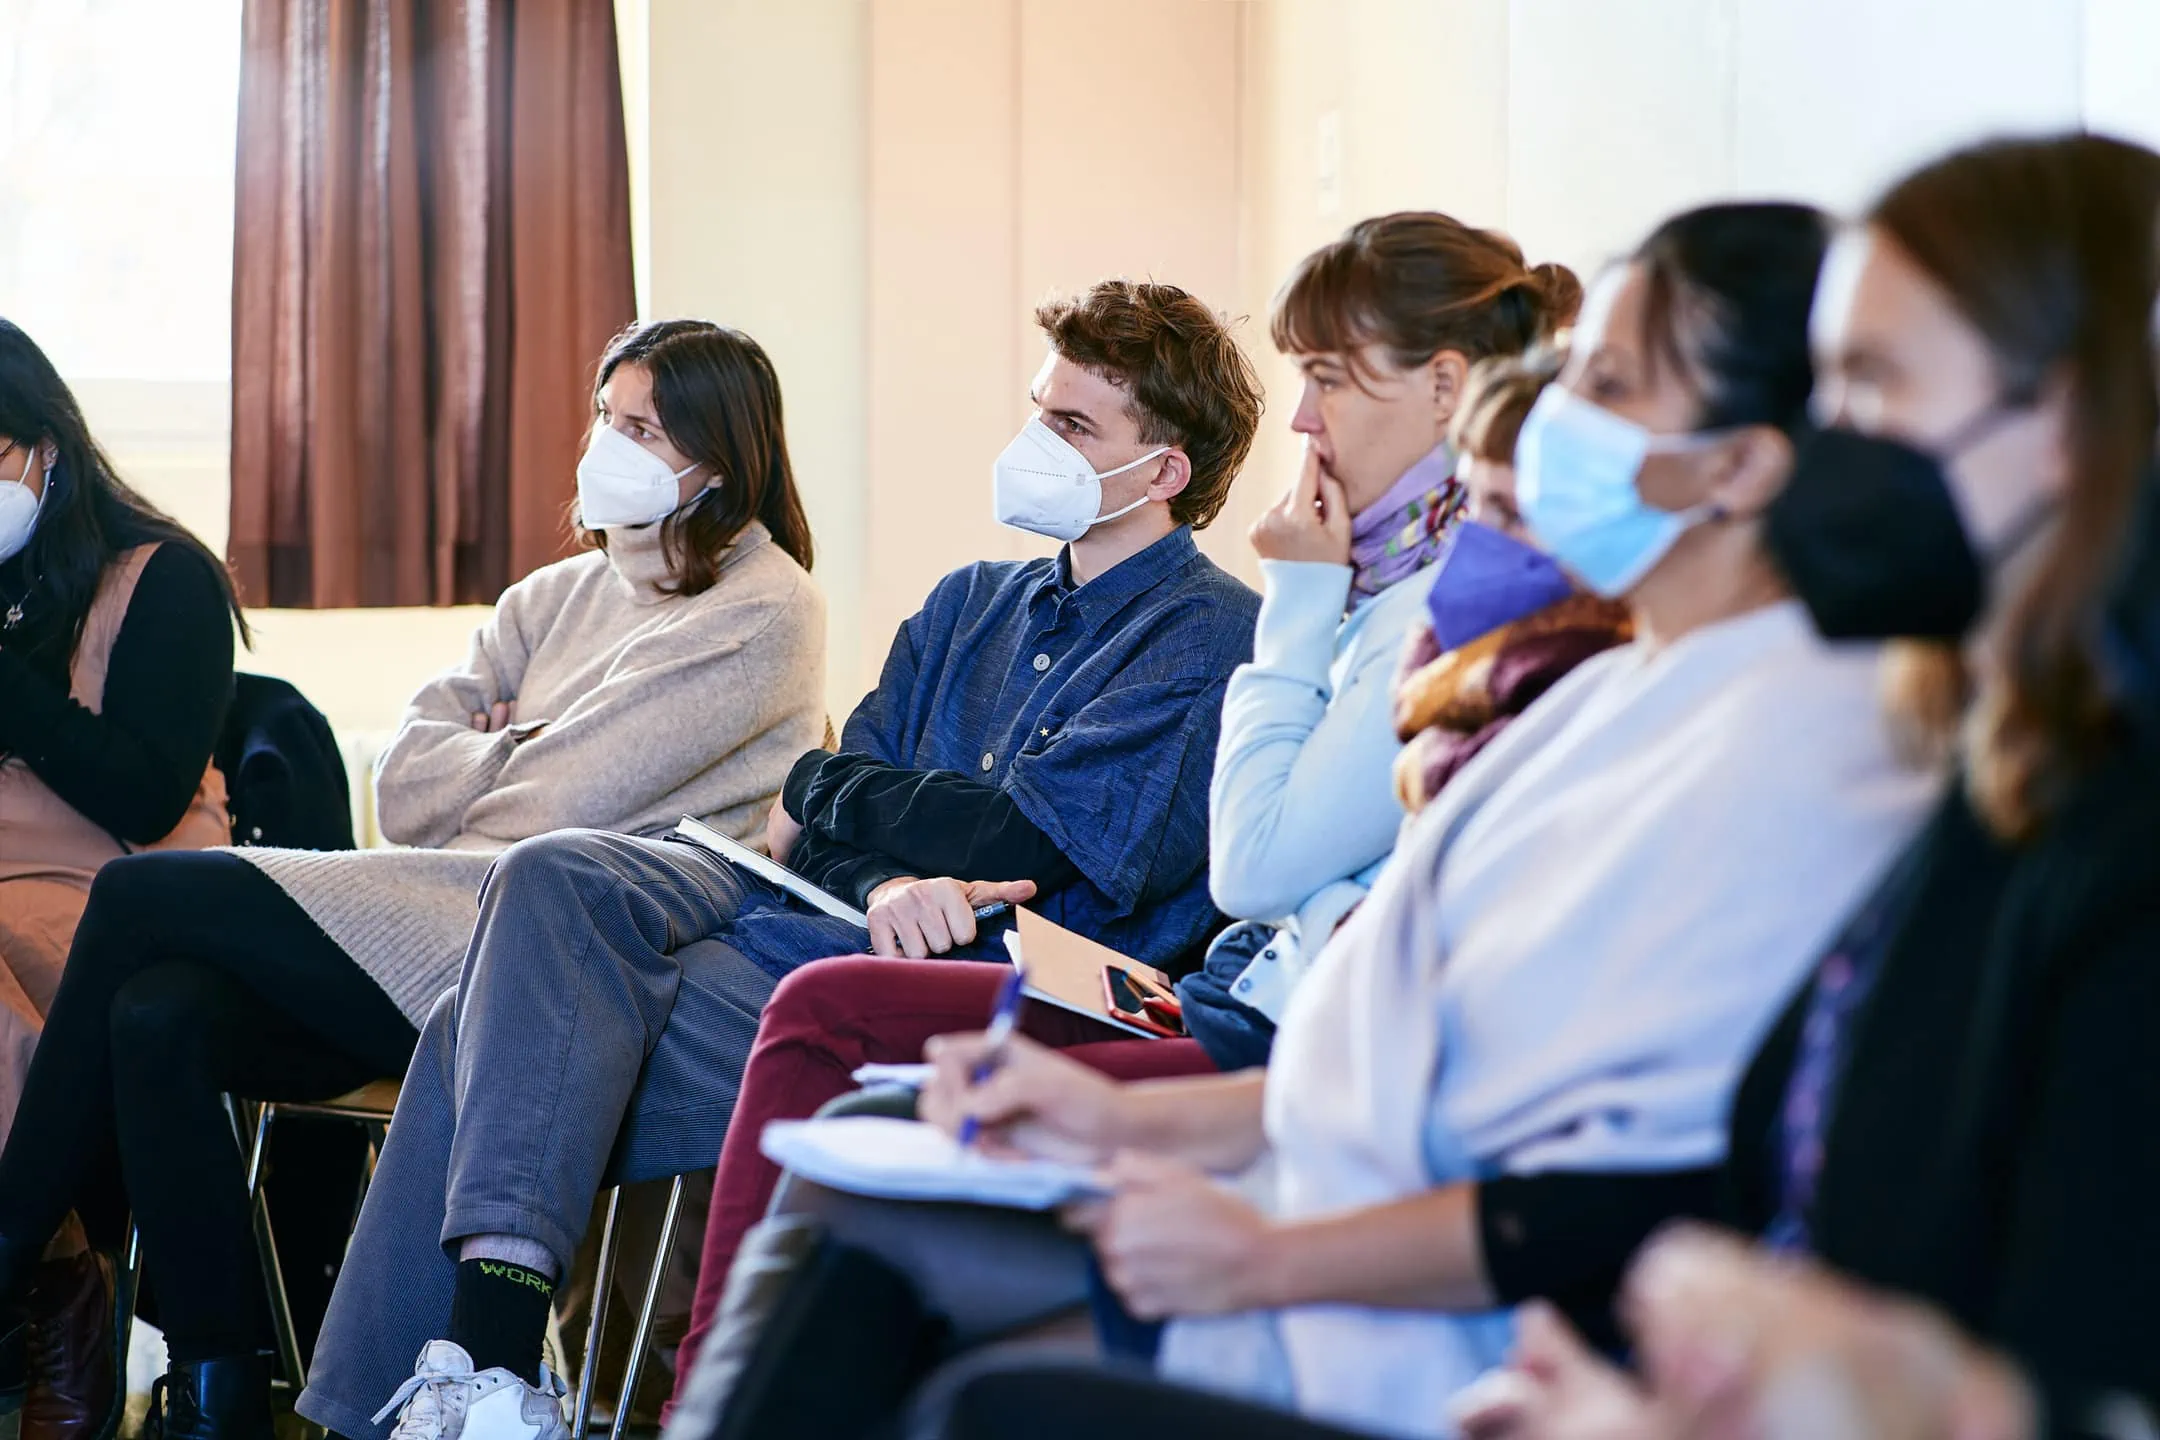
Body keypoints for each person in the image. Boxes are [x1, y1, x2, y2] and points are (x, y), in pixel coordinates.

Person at [681, 201, 1946, 1440]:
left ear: (1744, 463)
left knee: (907, 1286)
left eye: (1603, 386)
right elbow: (1372, 1046)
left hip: (1374, 1267)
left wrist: (1255, 1252)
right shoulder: (1604, 692)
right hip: (1298, 1146)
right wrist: (1123, 1118)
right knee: (864, 1201)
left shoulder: (1785, 735)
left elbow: (1568, 1163)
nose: (1553, 423)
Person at [296, 278, 1267, 1440]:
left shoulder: (1210, 632)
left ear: (1163, 472)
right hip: (806, 924)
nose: (1031, 443)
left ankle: (450, 1386)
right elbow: (813, 811)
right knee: (551, 886)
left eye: (1071, 427)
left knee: (485, 1028)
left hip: (988, 995)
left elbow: (1029, 844)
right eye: (1035, 409)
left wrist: (849, 803)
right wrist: (886, 869)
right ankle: (489, 1389)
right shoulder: (967, 605)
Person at [655, 220, 1584, 1401]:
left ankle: (690, 1399)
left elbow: (1211, 862)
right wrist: (870, 844)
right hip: (1225, 996)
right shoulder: (987, 600)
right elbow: (827, 810)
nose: (1305, 422)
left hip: (1208, 1005)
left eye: (1333, 381)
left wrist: (1298, 598)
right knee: (603, 918)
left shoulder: (1323, 618)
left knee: (820, 1027)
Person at [0, 317, 829, 1440]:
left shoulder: (765, 609)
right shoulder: (552, 597)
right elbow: (405, 779)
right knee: (157, 1015)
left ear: (718, 464)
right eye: (605, 416)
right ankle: (216, 1382)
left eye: (642, 428)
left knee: (142, 899)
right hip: (435, 912)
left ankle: (6, 1257)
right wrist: (522, 749)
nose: (608, 445)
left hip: (553, 946)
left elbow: (558, 814)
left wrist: (504, 751)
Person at [1448, 133, 2160, 1440]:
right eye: (1823, 389)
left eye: (1874, 385)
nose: (1824, 448)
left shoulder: (2118, 845)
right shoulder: (1986, 763)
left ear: (2065, 418)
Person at [0, 318, 242, 1439]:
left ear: (43, 449)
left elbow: (145, 796)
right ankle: (55, 1268)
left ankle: (55, 1299)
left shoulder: (165, 578)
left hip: (121, 889)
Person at [1389, 348, 1632, 817]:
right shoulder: (1461, 683)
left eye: (1512, 513)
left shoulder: (1598, 694)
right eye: (1471, 505)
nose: (1477, 541)